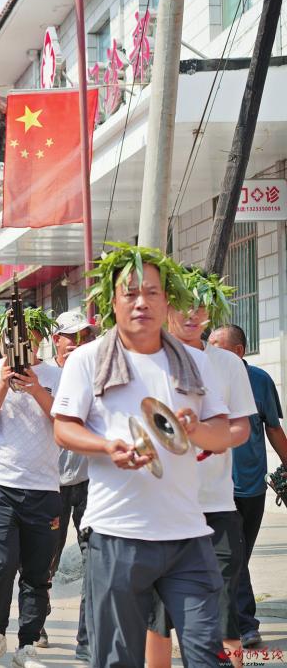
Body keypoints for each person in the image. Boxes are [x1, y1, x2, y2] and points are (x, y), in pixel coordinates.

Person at [52, 247, 233, 667]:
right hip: (117, 535)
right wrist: (106, 446)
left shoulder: (195, 362)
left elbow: (221, 434)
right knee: (118, 659)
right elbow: (63, 428)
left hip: (188, 536)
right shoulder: (88, 360)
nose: (141, 303)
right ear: (112, 302)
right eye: (130, 293)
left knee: (208, 655)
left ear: (167, 300)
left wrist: (194, 429)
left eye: (151, 292)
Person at [147, 275, 257, 668]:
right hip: (163, 507)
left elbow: (241, 427)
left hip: (217, 504)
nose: (192, 314)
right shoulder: (149, 358)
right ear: (167, 307)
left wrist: (209, 437)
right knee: (158, 619)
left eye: (201, 306)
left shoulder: (227, 363)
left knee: (225, 609)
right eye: (183, 305)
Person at [0, 307, 62, 668]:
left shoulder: (56, 375)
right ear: (4, 341)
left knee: (38, 574)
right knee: (0, 564)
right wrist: (2, 384)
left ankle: (26, 647)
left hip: (44, 486)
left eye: (29, 341)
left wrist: (36, 388)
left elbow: (63, 422)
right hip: (1, 483)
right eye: (14, 341)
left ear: (39, 341)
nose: (23, 347)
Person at [209, 324, 287, 649]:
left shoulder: (260, 380)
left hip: (252, 486)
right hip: (217, 489)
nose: (209, 349)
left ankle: (231, 623)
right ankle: (243, 625)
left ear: (238, 351)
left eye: (217, 344)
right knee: (232, 557)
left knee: (239, 557)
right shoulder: (204, 381)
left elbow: (273, 429)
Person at [39, 311, 96, 658]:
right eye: (71, 336)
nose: (77, 342)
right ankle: (38, 618)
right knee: (48, 559)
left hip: (89, 481)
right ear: (56, 339)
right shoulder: (45, 376)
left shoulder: (94, 372)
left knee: (96, 559)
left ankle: (87, 636)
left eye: (84, 336)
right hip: (52, 484)